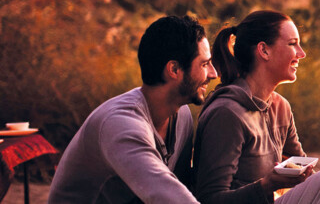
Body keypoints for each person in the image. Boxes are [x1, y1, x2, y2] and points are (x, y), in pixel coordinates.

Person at [193, 10, 320, 204]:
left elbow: (307, 174)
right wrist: (267, 185)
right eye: (292, 44)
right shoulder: (227, 114)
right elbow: (209, 199)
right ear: (264, 50)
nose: (302, 53)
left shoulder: (280, 107)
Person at [49, 15, 218, 203]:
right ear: (174, 70)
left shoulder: (182, 116)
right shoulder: (120, 123)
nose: (213, 73)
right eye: (204, 64)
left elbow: (183, 188)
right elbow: (165, 195)